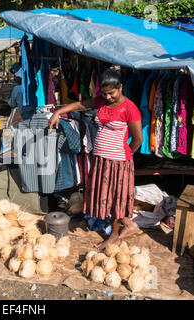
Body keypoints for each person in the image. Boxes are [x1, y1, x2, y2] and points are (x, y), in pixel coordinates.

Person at [49, 69, 143, 250]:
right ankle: (129, 224)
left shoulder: (129, 108)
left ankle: (114, 236)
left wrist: (124, 159)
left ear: (121, 87)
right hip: (101, 160)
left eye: (112, 93)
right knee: (105, 197)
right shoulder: (100, 101)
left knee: (115, 199)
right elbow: (79, 105)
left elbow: (138, 139)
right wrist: (58, 112)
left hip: (118, 162)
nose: (108, 97)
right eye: (104, 93)